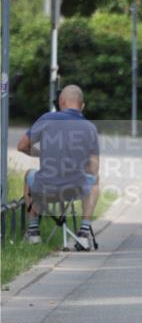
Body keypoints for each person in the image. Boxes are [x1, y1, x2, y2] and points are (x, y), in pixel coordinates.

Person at [17, 84, 100, 251]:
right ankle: (84, 234)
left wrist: (43, 154)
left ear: (61, 102)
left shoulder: (47, 119)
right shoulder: (90, 128)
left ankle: (33, 232)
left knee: (29, 174)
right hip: (74, 190)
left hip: (45, 188)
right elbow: (93, 168)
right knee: (95, 181)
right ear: (82, 106)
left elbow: (21, 146)